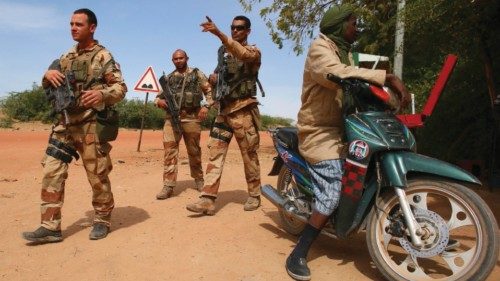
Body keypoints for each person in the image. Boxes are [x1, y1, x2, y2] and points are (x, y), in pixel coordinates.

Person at [285, 4, 410, 280]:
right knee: (331, 193)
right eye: (354, 23)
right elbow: (339, 74)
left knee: (370, 171)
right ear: (340, 26)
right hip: (320, 131)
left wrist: (386, 99)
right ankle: (299, 252)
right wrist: (387, 77)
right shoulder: (321, 49)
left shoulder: (344, 52)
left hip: (344, 129)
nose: (358, 28)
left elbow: (358, 85)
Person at [22, 8, 127, 243]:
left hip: (90, 124)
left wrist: (102, 95)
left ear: (92, 28)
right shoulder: (66, 57)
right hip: (65, 124)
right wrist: (46, 75)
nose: (73, 28)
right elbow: (50, 86)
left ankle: (101, 219)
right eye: (71, 24)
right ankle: (50, 226)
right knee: (52, 171)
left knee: (97, 175)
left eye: (78, 24)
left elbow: (120, 89)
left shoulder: (103, 56)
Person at [186, 15, 263, 215]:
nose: (235, 31)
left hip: (243, 111)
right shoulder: (224, 54)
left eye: (240, 28)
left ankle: (254, 194)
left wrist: (219, 34)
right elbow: (218, 83)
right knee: (215, 154)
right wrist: (213, 82)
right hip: (224, 112)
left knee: (249, 155)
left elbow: (244, 55)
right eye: (232, 28)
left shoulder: (253, 51)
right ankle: (207, 199)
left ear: (248, 31)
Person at [154, 49, 214, 199]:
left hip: (192, 117)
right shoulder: (168, 79)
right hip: (171, 120)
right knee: (169, 152)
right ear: (172, 61)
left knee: (194, 150)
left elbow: (209, 91)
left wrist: (206, 106)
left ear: (187, 58)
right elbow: (157, 97)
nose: (178, 61)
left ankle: (199, 180)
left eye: (181, 58)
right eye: (175, 59)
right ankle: (168, 185)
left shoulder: (196, 74)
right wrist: (159, 102)